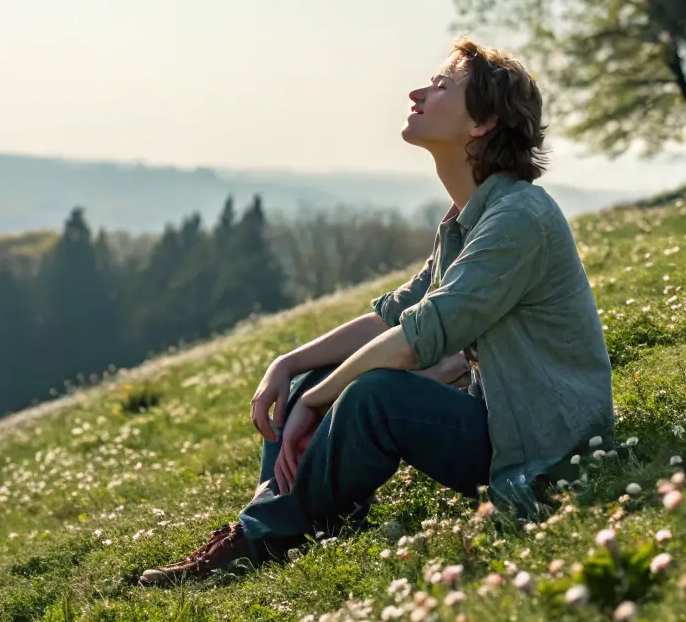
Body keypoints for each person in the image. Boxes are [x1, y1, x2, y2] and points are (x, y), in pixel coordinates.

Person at [139, 38, 614, 587]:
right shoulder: (467, 217)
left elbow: (420, 337)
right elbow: (396, 314)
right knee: (320, 376)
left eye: (441, 87)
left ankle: (267, 536)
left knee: (372, 394)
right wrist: (290, 366)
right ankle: (281, 519)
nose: (417, 92)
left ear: (482, 122)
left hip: (546, 445)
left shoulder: (519, 217)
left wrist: (318, 401)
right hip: (499, 420)